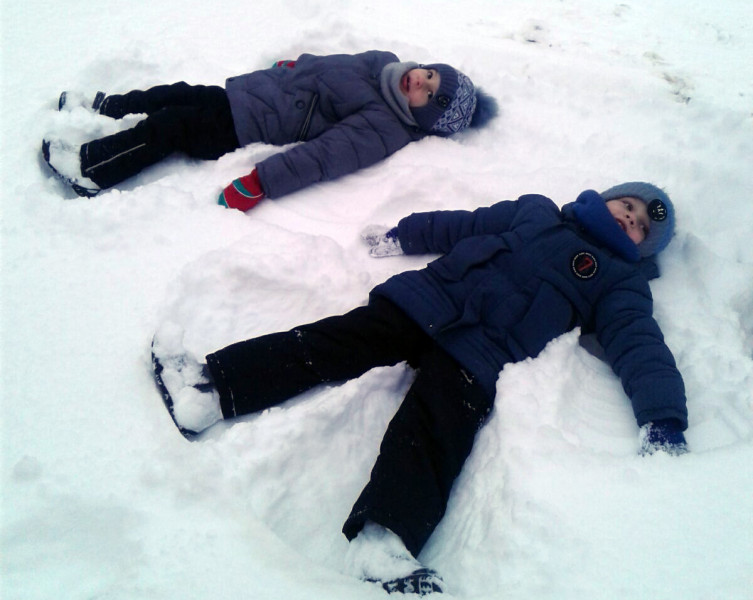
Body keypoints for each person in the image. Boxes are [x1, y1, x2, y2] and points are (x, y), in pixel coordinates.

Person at [150, 181, 689, 595]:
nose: (629, 218)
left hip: (484, 353)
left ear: (643, 249)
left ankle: (384, 543)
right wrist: (406, 235)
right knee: (332, 342)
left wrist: (661, 415)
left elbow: (639, 343)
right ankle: (208, 391)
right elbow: (465, 225)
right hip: (427, 300)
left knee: (436, 429)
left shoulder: (620, 283)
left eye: (641, 226)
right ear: (607, 196)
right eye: (628, 205)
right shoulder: (537, 210)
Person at [41, 51, 497, 208]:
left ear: (423, 120)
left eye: (429, 97)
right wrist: (295, 66)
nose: (421, 83)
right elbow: (331, 65)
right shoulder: (383, 62)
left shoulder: (384, 127)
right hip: (251, 93)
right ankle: (112, 106)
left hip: (249, 124)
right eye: (430, 76)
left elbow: (325, 157)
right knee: (178, 92)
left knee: (172, 125)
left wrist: (261, 182)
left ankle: (92, 169)